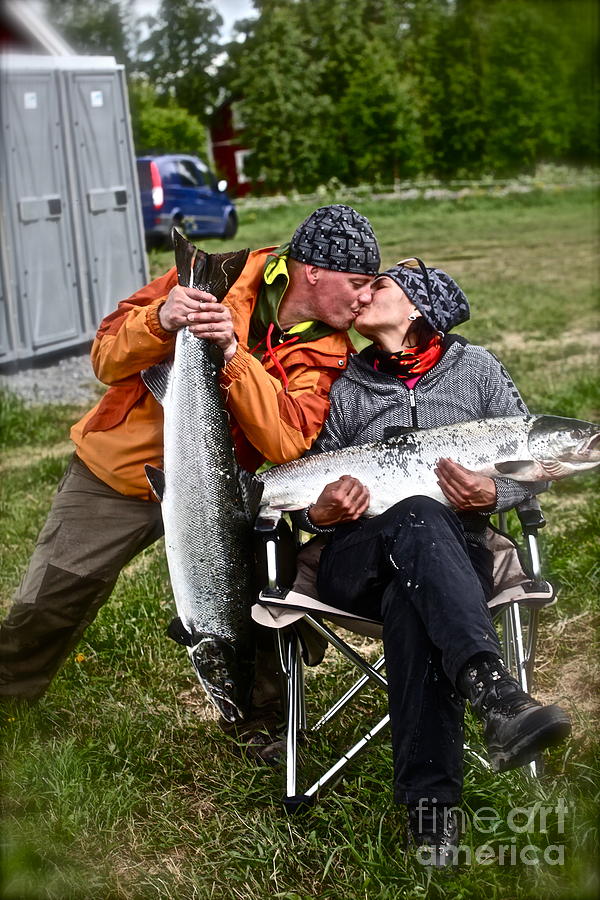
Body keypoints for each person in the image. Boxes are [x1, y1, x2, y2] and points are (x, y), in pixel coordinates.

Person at [0, 205, 380, 757]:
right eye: (359, 283)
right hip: (121, 474)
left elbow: (286, 441)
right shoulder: (215, 275)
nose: (365, 298)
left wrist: (232, 355)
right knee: (53, 597)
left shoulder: (329, 348)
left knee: (261, 598)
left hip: (225, 491)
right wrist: (162, 319)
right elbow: (105, 357)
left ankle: (260, 722)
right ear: (314, 270)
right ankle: (9, 696)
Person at [301, 259, 571, 864]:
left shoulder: (477, 372)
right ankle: (493, 690)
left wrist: (495, 495)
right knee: (418, 511)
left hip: (453, 560)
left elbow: (531, 465)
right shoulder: (343, 385)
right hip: (356, 559)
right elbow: (306, 490)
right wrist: (320, 515)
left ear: (419, 308)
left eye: (381, 287)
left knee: (414, 605)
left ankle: (432, 817)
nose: (365, 293)